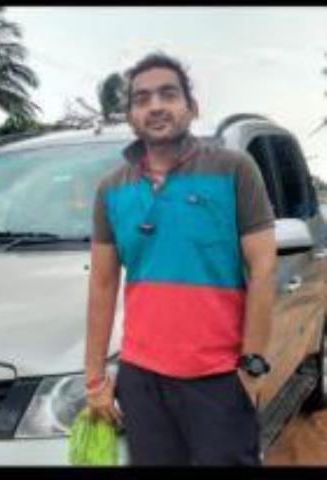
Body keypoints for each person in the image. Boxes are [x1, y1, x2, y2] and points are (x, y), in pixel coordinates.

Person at [84, 52, 277, 466]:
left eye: (168, 94)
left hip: (219, 379)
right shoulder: (110, 189)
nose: (155, 106)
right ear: (130, 116)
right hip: (141, 380)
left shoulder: (234, 169)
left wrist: (252, 367)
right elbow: (102, 284)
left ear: (192, 107)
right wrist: (95, 378)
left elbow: (264, 269)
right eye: (142, 99)